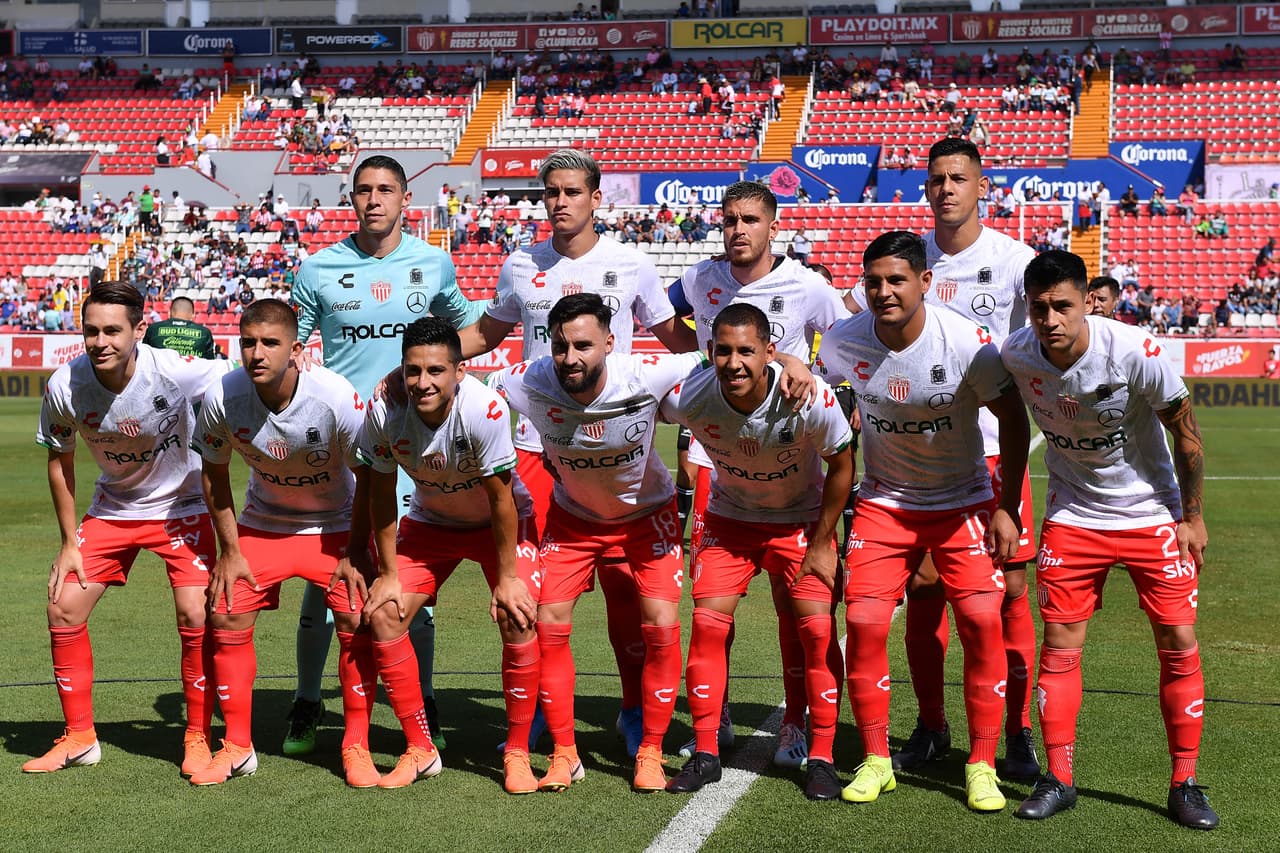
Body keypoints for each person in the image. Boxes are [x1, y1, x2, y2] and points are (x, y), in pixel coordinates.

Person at [457, 149, 695, 758]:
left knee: (623, 590)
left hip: (614, 448)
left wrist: (746, 349)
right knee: (534, 596)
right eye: (550, 192)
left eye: (571, 191)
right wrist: (419, 357)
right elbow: (486, 335)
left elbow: (674, 338)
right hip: (537, 448)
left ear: (596, 198)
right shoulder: (519, 265)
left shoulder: (632, 264)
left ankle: (634, 707)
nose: (559, 202)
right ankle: (540, 706)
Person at [1002, 251, 1218, 830]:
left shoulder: (1133, 351)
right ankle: (1060, 777)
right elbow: (1007, 419)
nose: (1050, 318)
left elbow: (1187, 436)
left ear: (1084, 304)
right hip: (1074, 516)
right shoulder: (1016, 353)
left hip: (1151, 514)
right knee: (1061, 646)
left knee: (1177, 639)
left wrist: (1191, 518)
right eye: (1040, 307)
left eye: (1063, 306)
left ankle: (1185, 781)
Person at [816, 231, 1029, 812]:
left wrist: (1006, 505)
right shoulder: (841, 342)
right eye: (874, 281)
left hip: (962, 499)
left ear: (925, 283)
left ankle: (981, 762)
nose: (884, 292)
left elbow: (1013, 419)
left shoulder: (966, 342)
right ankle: (877, 758)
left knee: (985, 622)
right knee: (862, 622)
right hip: (886, 502)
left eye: (897, 280)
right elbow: (821, 397)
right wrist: (793, 366)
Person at [288, 155, 485, 755]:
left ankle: (422, 700)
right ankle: (305, 700)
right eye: (363, 190)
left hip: (417, 442)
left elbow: (470, 333)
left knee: (411, 585)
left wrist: (433, 376)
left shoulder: (434, 263)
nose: (374, 200)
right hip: (345, 444)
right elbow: (293, 345)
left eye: (386, 190)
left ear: (405, 200)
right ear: (352, 199)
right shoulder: (318, 268)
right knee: (330, 581)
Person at [488, 293, 703, 793]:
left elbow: (714, 354)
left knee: (662, 623)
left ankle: (650, 749)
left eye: (584, 346)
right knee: (547, 621)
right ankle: (566, 753)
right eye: (561, 347)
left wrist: (785, 359)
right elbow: (479, 390)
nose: (571, 358)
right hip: (575, 518)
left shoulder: (643, 375)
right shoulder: (530, 379)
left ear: (609, 342)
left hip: (648, 517)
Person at [666, 181, 844, 768]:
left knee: (799, 618)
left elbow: (845, 345)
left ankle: (799, 726)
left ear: (772, 227)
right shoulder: (698, 278)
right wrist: (700, 361)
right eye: (728, 220)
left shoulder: (808, 284)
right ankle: (710, 728)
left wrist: (798, 363)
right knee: (713, 609)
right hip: (715, 455)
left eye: (749, 220)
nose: (737, 230)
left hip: (788, 452)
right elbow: (665, 318)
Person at [26, 281, 229, 776]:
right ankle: (79, 737)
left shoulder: (175, 371)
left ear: (140, 329)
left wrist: (303, 362)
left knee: (195, 612)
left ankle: (198, 736)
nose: (101, 342)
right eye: (91, 331)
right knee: (63, 604)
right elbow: (60, 460)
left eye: (113, 331)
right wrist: (68, 544)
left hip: (181, 508)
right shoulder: (65, 385)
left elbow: (246, 375)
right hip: (113, 508)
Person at [894, 137, 1041, 782]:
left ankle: (1016, 731)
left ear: (983, 186)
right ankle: (932, 723)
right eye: (936, 179)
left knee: (1009, 589)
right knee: (925, 588)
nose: (946, 188)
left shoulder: (1015, 261)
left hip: (991, 448)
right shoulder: (907, 260)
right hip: (920, 452)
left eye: (959, 178)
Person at [350, 318, 540, 793]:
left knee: (517, 616)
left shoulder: (485, 410)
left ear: (459, 370)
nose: (423, 382)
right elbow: (378, 488)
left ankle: (517, 752)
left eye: (436, 370)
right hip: (431, 523)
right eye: (412, 371)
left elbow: (501, 501)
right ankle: (420, 748)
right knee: (385, 615)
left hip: (498, 527)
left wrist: (508, 577)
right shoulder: (385, 407)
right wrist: (389, 573)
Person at [189, 299, 375, 787]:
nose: (257, 353)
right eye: (248, 342)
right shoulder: (223, 396)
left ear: (296, 350)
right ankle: (237, 745)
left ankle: (355, 744)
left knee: (358, 614)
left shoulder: (333, 396)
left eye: (270, 343)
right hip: (265, 524)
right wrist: (229, 551)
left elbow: (370, 477)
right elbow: (213, 474)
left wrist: (356, 550)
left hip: (334, 525)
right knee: (225, 607)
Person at [143, 296, 216, 358]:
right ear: (193, 315)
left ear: (169, 313)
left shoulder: (153, 329)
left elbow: (144, 358)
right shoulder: (204, 333)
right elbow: (209, 363)